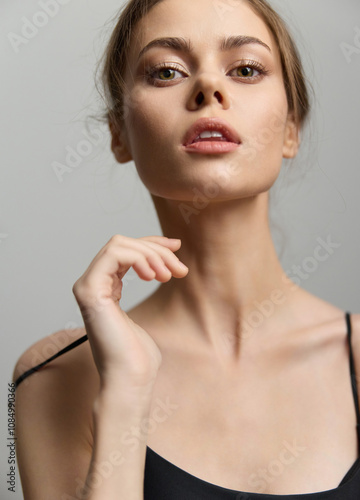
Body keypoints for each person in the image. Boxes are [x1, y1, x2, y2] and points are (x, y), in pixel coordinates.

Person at [13, 0, 360, 498]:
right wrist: (126, 396)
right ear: (119, 133)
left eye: (246, 68)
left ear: (291, 129)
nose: (209, 89)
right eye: (167, 72)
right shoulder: (54, 376)